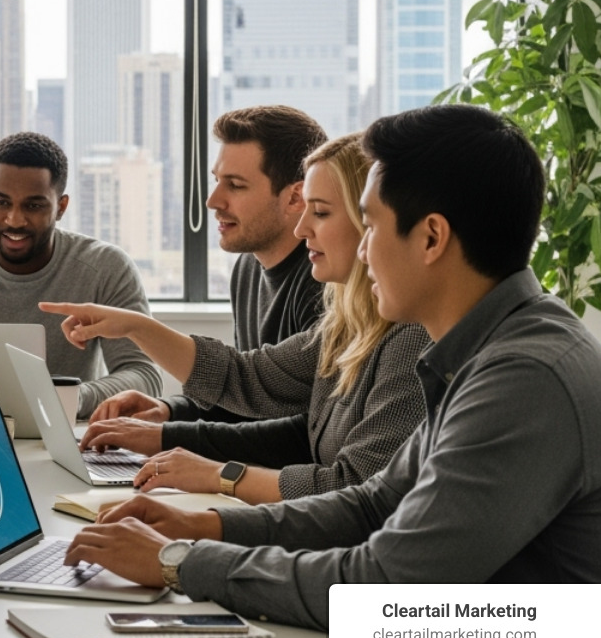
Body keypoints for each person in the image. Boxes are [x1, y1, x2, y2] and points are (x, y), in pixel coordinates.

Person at [62, 105, 601, 638]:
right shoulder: (486, 351)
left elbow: (383, 591)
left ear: (431, 237)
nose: (361, 251)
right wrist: (204, 526)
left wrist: (180, 562)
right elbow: (374, 504)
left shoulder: (526, 379)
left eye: (372, 225)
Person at [42, 133, 429, 504]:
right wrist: (137, 334)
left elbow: (354, 489)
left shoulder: (410, 337)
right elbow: (251, 380)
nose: (302, 228)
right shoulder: (344, 323)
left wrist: (219, 476)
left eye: (322, 212)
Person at [0, 132, 159, 418]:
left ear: (61, 207)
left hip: (69, 440)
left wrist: (70, 398)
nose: (14, 219)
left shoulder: (106, 268)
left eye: (33, 206)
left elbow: (144, 375)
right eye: (1, 203)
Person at [95, 105, 328, 425]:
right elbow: (248, 401)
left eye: (235, 185)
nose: (212, 201)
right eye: (217, 181)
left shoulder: (326, 282)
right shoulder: (247, 267)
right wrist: (169, 411)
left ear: (294, 198)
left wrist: (171, 438)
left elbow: (302, 431)